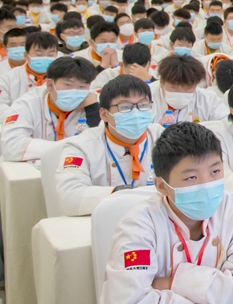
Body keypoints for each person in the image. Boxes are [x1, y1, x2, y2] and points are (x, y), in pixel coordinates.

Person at [96, 122, 233, 304]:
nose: (207, 184)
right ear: (161, 186)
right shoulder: (139, 226)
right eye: (191, 178)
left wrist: (171, 282)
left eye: (215, 171)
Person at [57, 75, 164, 216]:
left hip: (157, 218)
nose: (136, 113)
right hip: (103, 221)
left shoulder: (163, 137)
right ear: (104, 114)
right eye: (125, 107)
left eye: (143, 105)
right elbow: (70, 198)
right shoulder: (80, 146)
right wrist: (118, 193)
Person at [1, 57, 97, 162]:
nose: (74, 91)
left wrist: (93, 109)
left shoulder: (93, 103)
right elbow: (12, 146)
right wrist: (68, 147)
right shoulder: (26, 104)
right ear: (50, 85)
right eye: (68, 85)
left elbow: (101, 145)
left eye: (82, 86)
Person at [151, 55, 229, 125]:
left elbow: (226, 123)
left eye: (187, 88)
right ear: (161, 82)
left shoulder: (208, 100)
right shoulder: (147, 96)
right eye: (174, 87)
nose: (180, 93)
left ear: (196, 84)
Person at [0, 31, 60, 107]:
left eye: (50, 55)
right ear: (26, 55)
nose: (45, 58)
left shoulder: (63, 78)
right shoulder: (7, 79)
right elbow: (1, 106)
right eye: (39, 54)